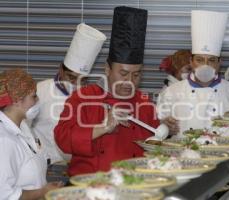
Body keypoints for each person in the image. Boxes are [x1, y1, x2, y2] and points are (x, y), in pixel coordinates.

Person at [54, 6, 160, 176]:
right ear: (107, 69)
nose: (129, 82)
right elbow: (63, 139)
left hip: (134, 186)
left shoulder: (145, 103)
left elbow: (154, 145)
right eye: (123, 73)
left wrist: (166, 130)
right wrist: (103, 127)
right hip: (90, 186)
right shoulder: (82, 98)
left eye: (136, 75)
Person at [156, 10, 229, 137]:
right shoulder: (171, 92)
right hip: (183, 155)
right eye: (199, 60)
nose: (205, 65)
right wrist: (165, 128)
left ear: (220, 63)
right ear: (191, 62)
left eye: (211, 60)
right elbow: (159, 132)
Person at [31, 23, 106, 164]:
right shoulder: (39, 91)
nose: (75, 84)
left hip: (77, 164)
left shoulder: (89, 98)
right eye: (71, 77)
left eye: (82, 80)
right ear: (61, 70)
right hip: (46, 164)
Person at [0, 69, 63, 200]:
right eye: (34, 96)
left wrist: (46, 188)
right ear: (17, 100)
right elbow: (5, 195)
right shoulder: (4, 140)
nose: (37, 100)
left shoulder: (23, 127)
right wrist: (42, 192)